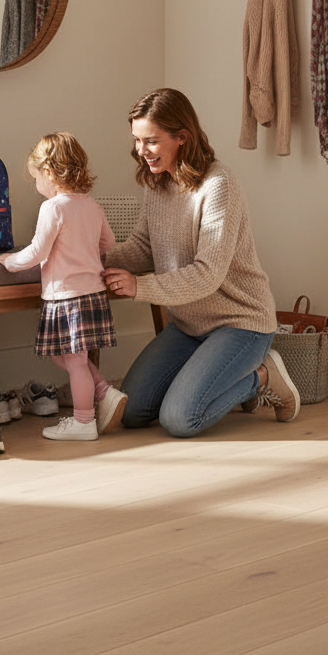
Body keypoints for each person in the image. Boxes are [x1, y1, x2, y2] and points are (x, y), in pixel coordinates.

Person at [101, 88, 298, 437]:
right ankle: (212, 377)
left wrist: (139, 287)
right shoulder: (157, 183)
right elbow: (143, 248)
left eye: (151, 141)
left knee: (180, 419)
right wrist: (91, 258)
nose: (141, 151)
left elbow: (208, 275)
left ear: (182, 137)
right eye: (136, 140)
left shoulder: (219, 185)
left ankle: (262, 375)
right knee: (131, 410)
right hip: (188, 325)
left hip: (240, 322)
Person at [0, 132, 128, 441]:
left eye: (37, 178)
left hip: (67, 295)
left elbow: (37, 252)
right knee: (64, 357)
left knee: (75, 361)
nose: (37, 185)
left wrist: (10, 261)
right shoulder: (91, 206)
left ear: (51, 173)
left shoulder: (54, 208)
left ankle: (83, 421)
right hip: (92, 292)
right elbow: (108, 242)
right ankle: (103, 391)